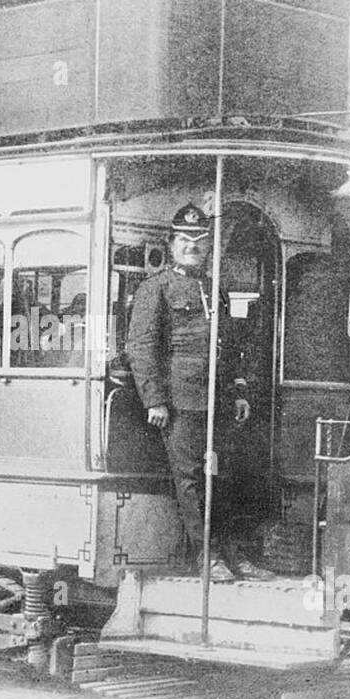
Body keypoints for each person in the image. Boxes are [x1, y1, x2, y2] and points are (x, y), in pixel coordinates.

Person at [124, 202, 274, 583]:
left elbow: (230, 343)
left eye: (200, 240)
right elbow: (141, 347)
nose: (193, 246)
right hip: (181, 402)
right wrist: (155, 399)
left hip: (218, 401)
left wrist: (239, 389)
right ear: (171, 244)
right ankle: (207, 558)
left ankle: (233, 555)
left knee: (223, 478)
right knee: (190, 480)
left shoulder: (213, 289)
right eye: (185, 240)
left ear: (209, 247)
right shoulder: (155, 289)